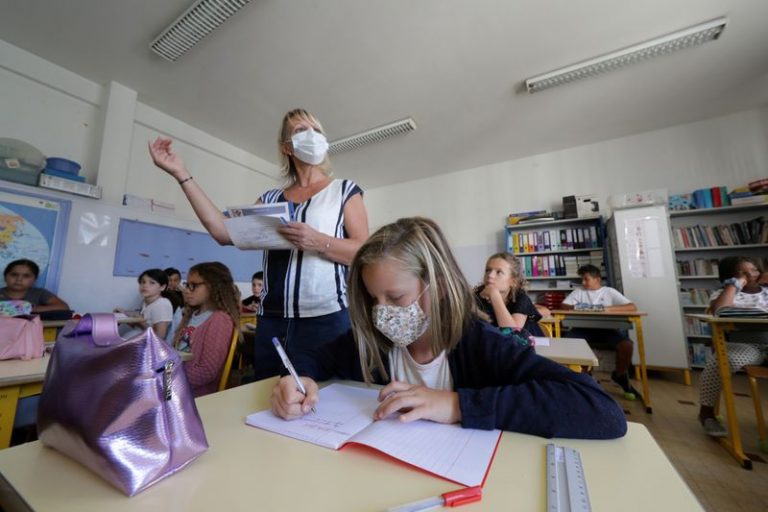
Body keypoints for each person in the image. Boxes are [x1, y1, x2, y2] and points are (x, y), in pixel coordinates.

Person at [270, 217, 627, 439]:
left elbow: (602, 411)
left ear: (437, 285)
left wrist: (455, 405)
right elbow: (314, 357)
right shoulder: (375, 343)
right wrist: (298, 379)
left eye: (395, 296)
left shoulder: (481, 344)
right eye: (374, 299)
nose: (382, 313)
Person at [149, 108, 369, 381]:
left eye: (316, 130)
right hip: (273, 320)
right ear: (286, 147)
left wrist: (318, 241)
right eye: (301, 130)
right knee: (269, 398)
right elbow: (222, 231)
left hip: (326, 319)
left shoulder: (344, 190)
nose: (311, 136)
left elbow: (363, 253)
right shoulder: (271, 199)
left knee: (323, 402)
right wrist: (181, 174)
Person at [698, 256, 768, 437]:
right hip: (745, 344)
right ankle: (707, 413)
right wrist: (734, 285)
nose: (750, 275)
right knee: (723, 359)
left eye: (753, 270)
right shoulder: (724, 293)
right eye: (742, 273)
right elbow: (720, 310)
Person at [559, 264, 640, 399]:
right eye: (582, 280)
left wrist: (606, 309)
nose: (583, 283)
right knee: (570, 341)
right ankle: (585, 376)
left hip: (607, 330)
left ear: (597, 279)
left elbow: (632, 307)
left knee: (626, 345)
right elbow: (563, 306)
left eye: (586, 279)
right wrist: (580, 307)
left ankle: (620, 375)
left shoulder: (609, 291)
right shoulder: (579, 292)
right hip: (582, 329)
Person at [171, 262, 239, 397]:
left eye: (193, 286)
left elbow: (206, 371)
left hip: (192, 394)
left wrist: (166, 380)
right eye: (187, 285)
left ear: (213, 286)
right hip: (175, 383)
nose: (187, 290)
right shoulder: (192, 315)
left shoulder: (219, 320)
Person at [474, 252, 547, 336]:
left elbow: (512, 333)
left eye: (499, 272)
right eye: (488, 270)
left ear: (513, 281)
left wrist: (495, 296)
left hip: (529, 345)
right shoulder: (477, 296)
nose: (490, 275)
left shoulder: (520, 298)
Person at [116, 268, 174, 340]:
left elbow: (159, 336)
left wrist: (140, 321)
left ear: (162, 287)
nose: (145, 285)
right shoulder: (146, 302)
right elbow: (139, 328)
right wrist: (123, 315)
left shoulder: (162, 304)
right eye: (143, 282)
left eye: (152, 283)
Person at [0, 259, 70, 314]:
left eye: (26, 276)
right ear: (5, 277)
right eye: (14, 274)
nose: (19, 279)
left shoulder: (39, 293)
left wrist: (31, 309)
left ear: (34, 280)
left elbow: (64, 307)